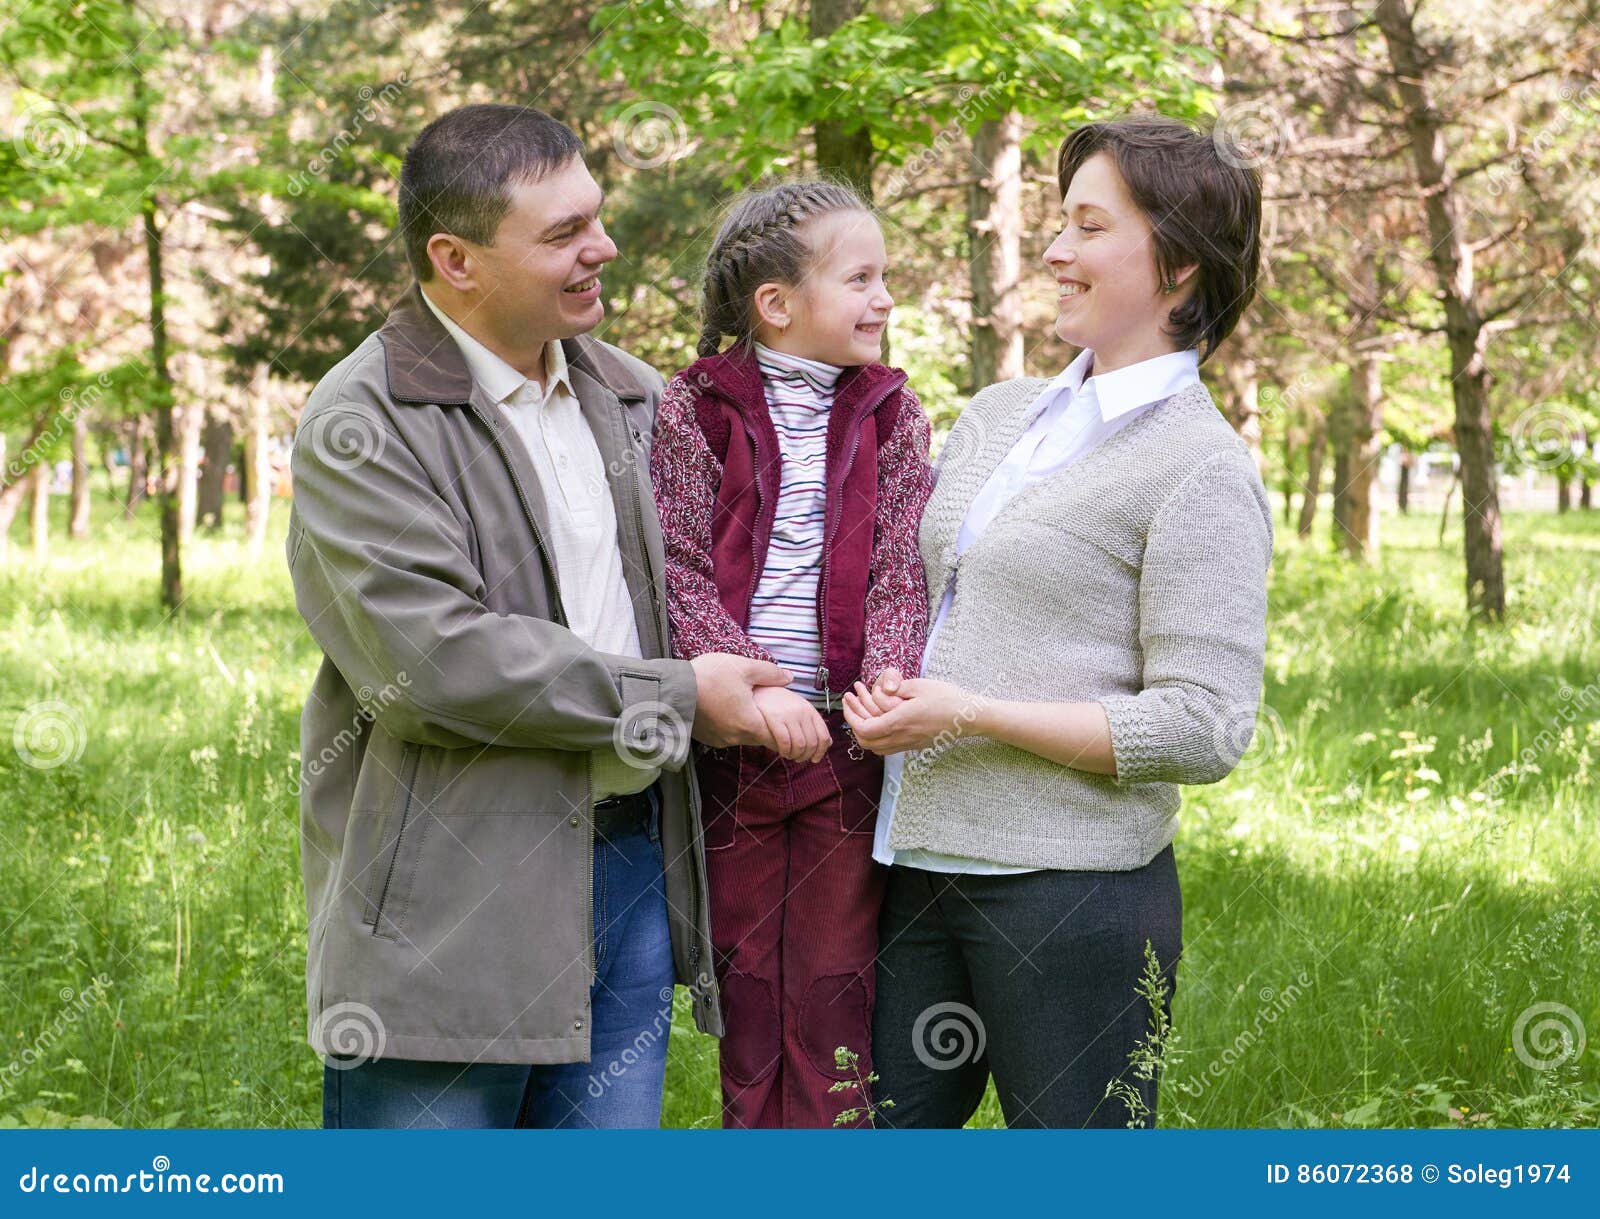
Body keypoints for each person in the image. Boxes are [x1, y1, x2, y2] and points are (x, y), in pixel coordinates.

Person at [287, 104, 792, 1129]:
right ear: (455, 258)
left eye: (595, 218)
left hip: (628, 871)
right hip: (448, 899)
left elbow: (724, 576)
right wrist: (680, 697)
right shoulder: (364, 419)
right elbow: (433, 662)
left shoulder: (636, 396)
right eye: (563, 234)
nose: (601, 248)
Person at [845, 114, 1274, 1128]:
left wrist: (975, 714)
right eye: (1057, 222)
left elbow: (1202, 727)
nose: (1053, 250)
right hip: (911, 870)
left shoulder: (1201, 471)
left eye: (1088, 227)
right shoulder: (1000, 413)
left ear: (1176, 266)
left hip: (1072, 896)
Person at [649, 180, 934, 1127]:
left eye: (884, 276)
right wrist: (751, 686)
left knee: (834, 984)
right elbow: (680, 569)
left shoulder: (894, 414)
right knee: (746, 981)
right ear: (775, 305)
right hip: (737, 748)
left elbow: (900, 566)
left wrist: (889, 672)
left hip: (845, 754)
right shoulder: (695, 410)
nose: (884, 298)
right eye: (861, 278)